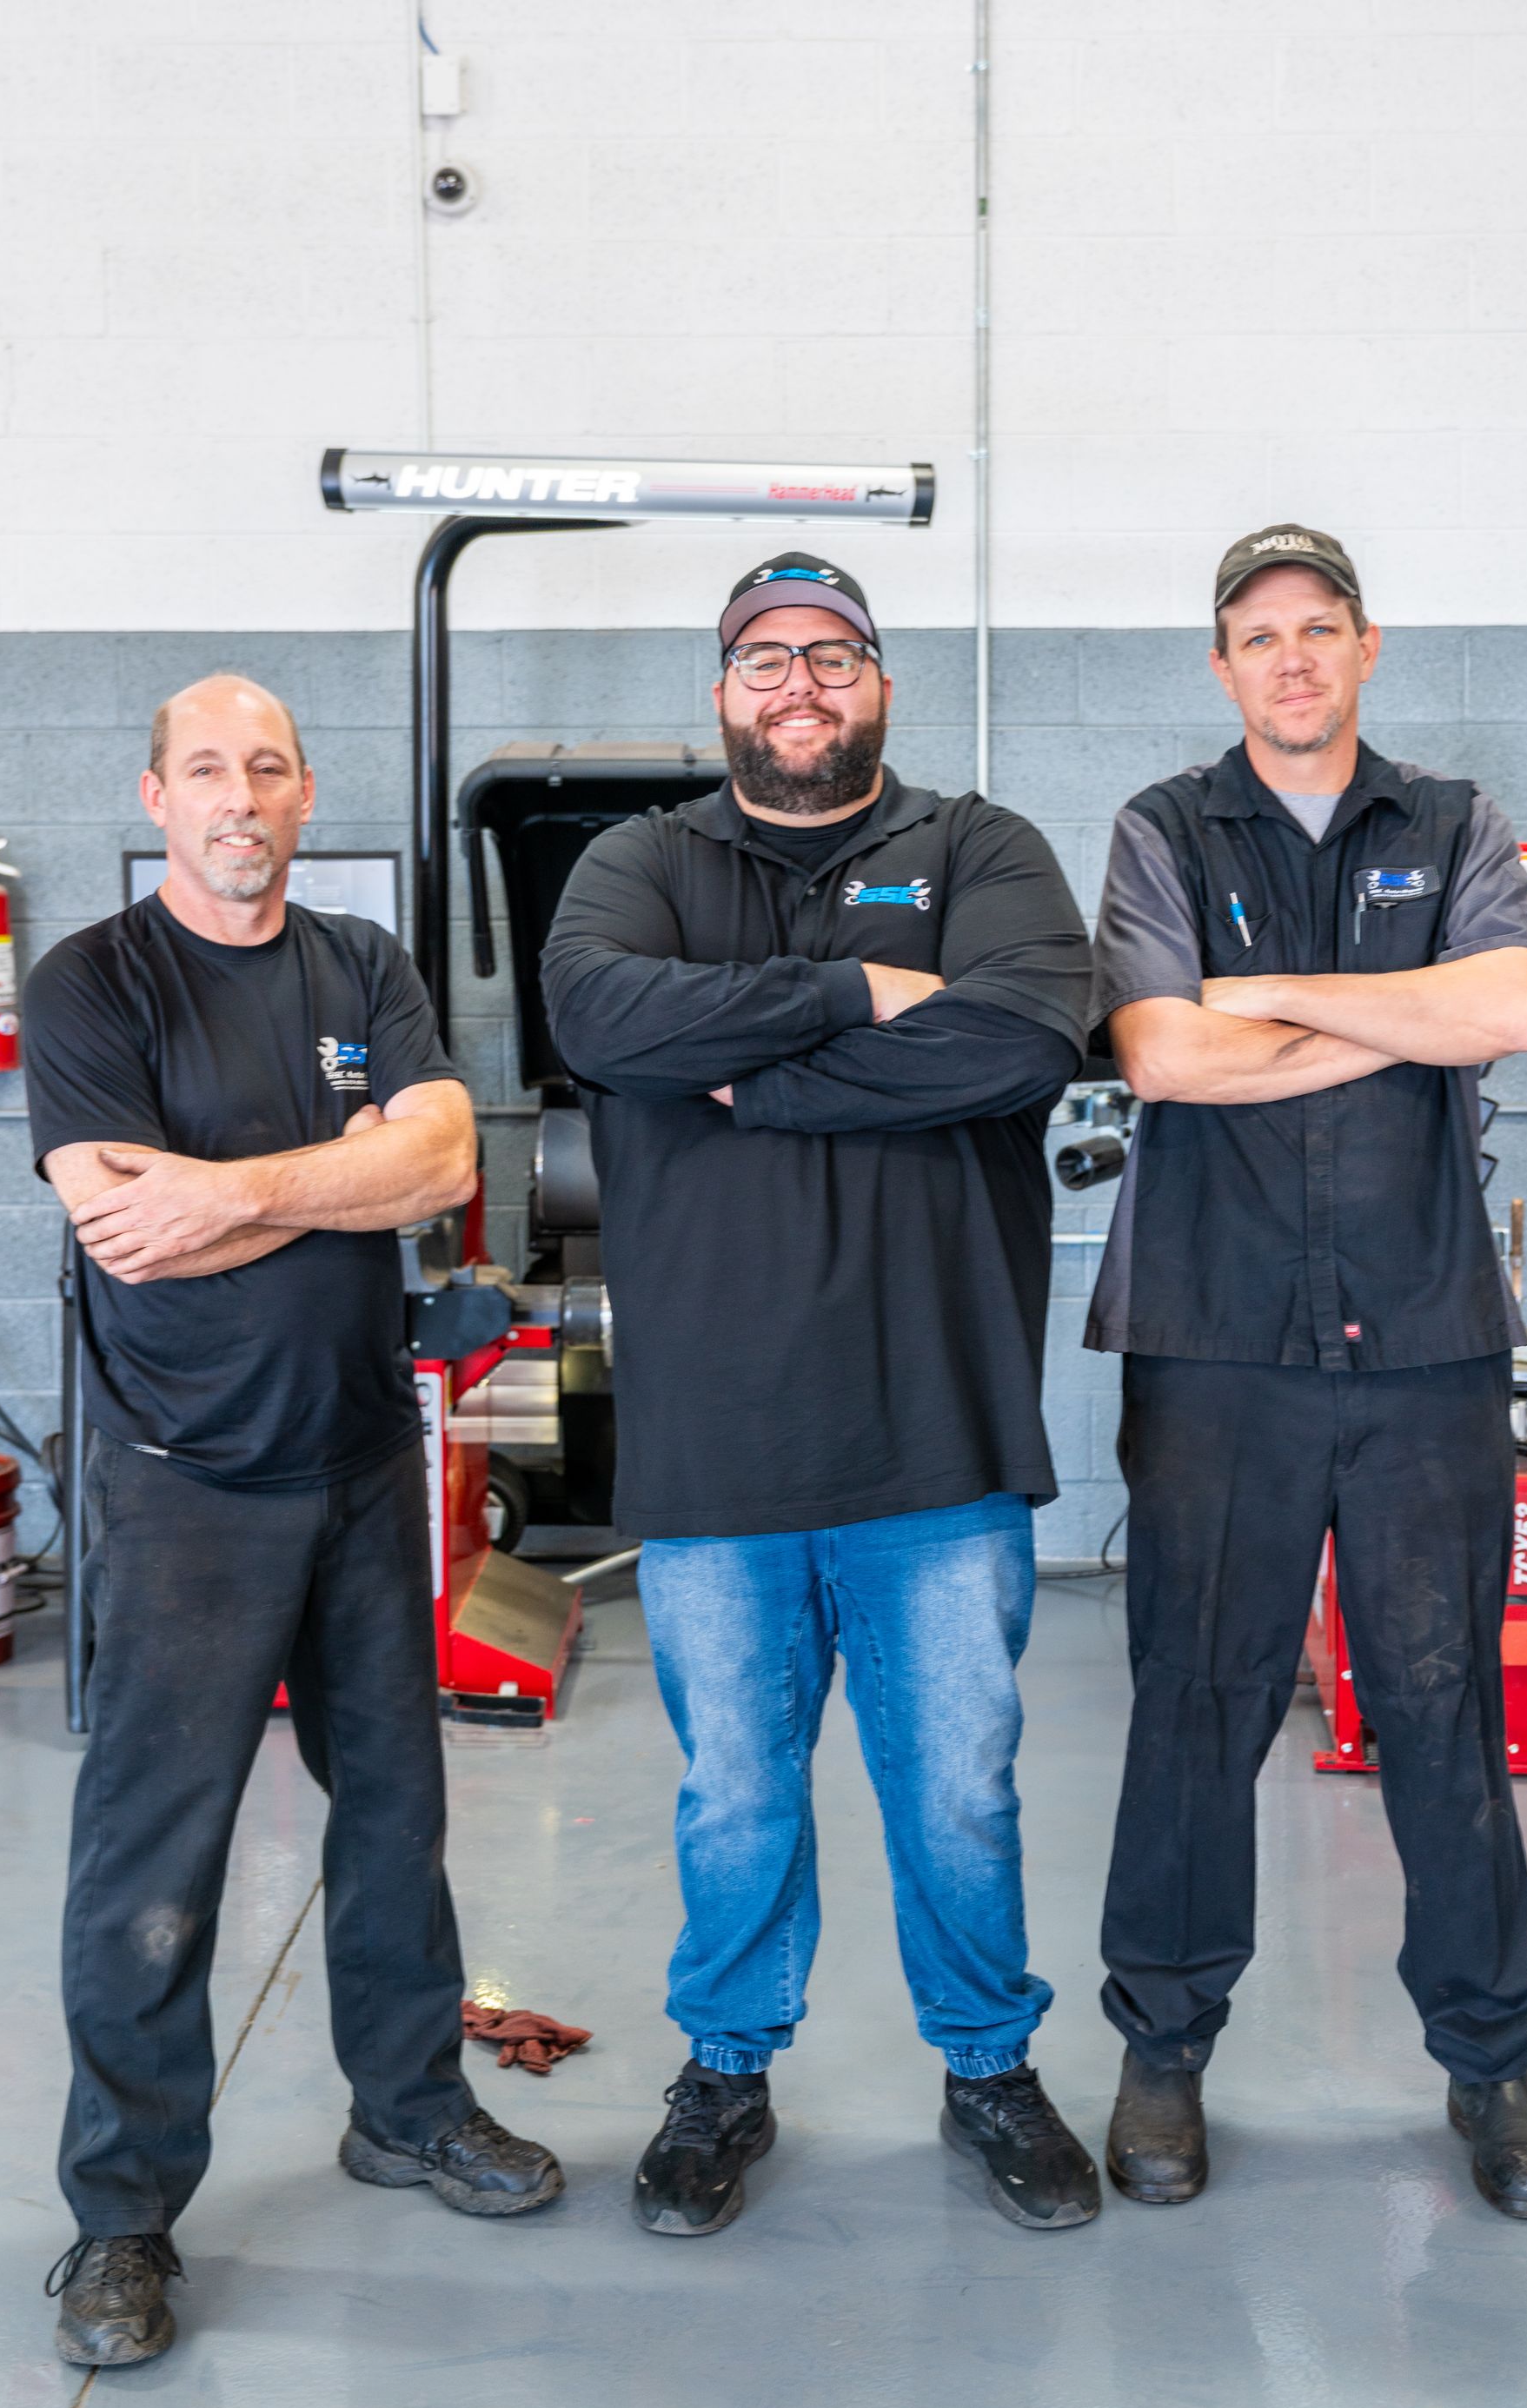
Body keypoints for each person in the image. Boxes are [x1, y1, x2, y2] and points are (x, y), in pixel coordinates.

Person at [541, 554, 1098, 2236]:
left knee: (961, 1783)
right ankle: (725, 2070)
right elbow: (595, 1011)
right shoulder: (639, 863)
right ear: (723, 690)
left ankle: (988, 2066)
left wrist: (739, 1079)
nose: (801, 682)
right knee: (735, 1793)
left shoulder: (978, 847)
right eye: (767, 658)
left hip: (936, 1426)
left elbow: (1020, 1039)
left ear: (881, 680)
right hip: (719, 1441)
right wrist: (858, 994)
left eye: (835, 654)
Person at [23, 675, 563, 2371]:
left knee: (395, 1813)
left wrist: (237, 1185)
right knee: (151, 1858)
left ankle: (405, 2107)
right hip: (183, 1483)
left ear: (301, 787)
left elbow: (439, 1159)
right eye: (206, 767)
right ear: (157, 790)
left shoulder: (360, 966)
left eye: (267, 765)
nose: (240, 793)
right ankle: (120, 2211)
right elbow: (126, 1229)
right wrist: (341, 1172)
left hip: (356, 1461)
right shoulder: (92, 982)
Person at [1086, 526, 1527, 2222]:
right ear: (1222, 667)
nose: (1290, 659)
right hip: (1214, 1343)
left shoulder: (1454, 821)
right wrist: (1396, 1009)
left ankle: (1493, 2061)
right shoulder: (1164, 827)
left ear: (1367, 646)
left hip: (1425, 1336)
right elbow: (1158, 1049)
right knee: (1196, 1703)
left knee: (1443, 1702)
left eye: (1317, 629)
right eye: (1256, 636)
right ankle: (1162, 2047)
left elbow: (1514, 1004)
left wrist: (1285, 999)